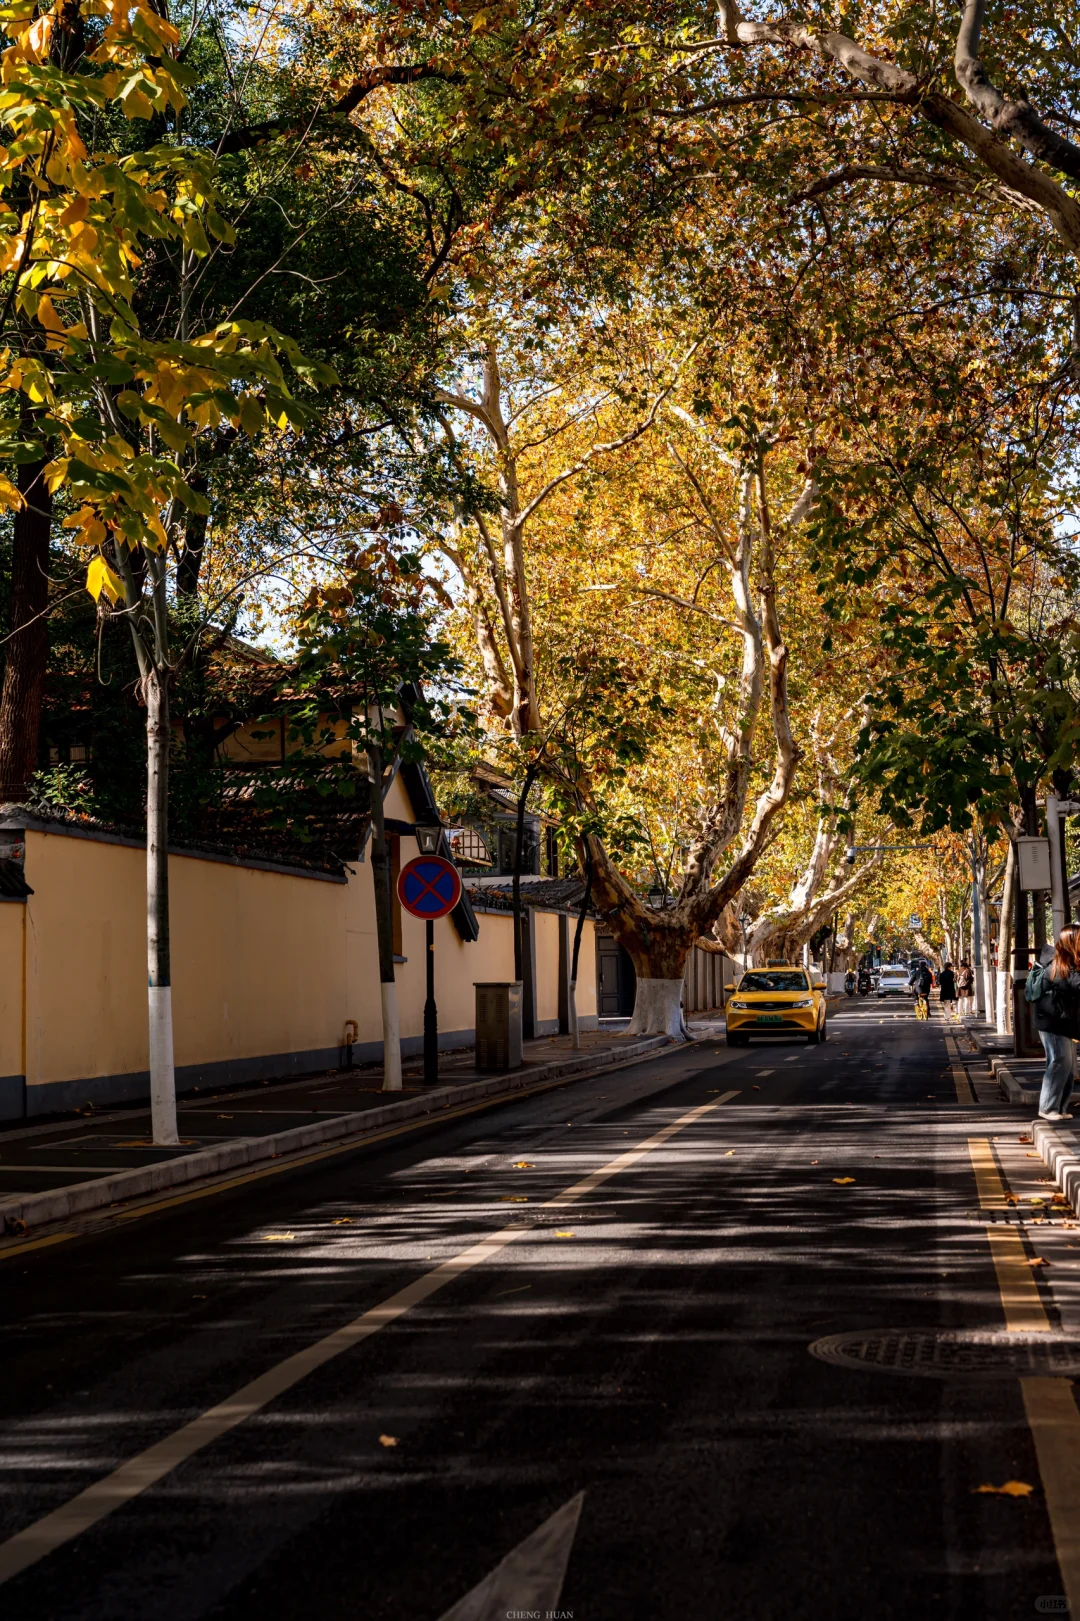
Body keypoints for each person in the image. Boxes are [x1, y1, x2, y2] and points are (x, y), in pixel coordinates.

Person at [1032, 924, 1080, 1121]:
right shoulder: (1059, 965)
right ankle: (1047, 1107)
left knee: (1068, 1066)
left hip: (1064, 1023)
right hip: (1052, 1023)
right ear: (1072, 942)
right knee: (1059, 1062)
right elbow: (1077, 985)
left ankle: (1059, 1107)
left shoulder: (1068, 962)